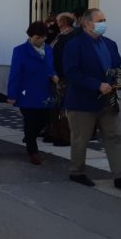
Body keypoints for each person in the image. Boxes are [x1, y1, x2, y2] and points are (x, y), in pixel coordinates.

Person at [62, 8, 121, 189]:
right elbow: (71, 72)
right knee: (80, 138)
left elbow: (117, 65)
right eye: (100, 20)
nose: (104, 23)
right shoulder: (74, 44)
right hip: (82, 101)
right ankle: (77, 172)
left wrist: (118, 79)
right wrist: (96, 84)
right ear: (87, 23)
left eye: (105, 20)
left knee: (114, 137)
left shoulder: (110, 44)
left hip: (107, 101)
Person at [7, 21, 58, 165]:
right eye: (37, 37)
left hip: (44, 92)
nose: (40, 40)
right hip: (26, 92)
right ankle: (33, 152)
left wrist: (53, 75)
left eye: (43, 37)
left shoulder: (48, 50)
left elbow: (50, 67)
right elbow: (15, 74)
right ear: (30, 36)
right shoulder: (20, 50)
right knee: (30, 122)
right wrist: (12, 95)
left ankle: (30, 137)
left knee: (45, 119)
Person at [49, 12, 78, 146]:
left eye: (58, 20)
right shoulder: (60, 36)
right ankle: (55, 133)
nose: (55, 22)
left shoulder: (72, 36)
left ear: (64, 22)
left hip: (64, 77)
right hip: (56, 76)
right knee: (56, 106)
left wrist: (60, 75)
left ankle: (65, 137)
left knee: (64, 108)